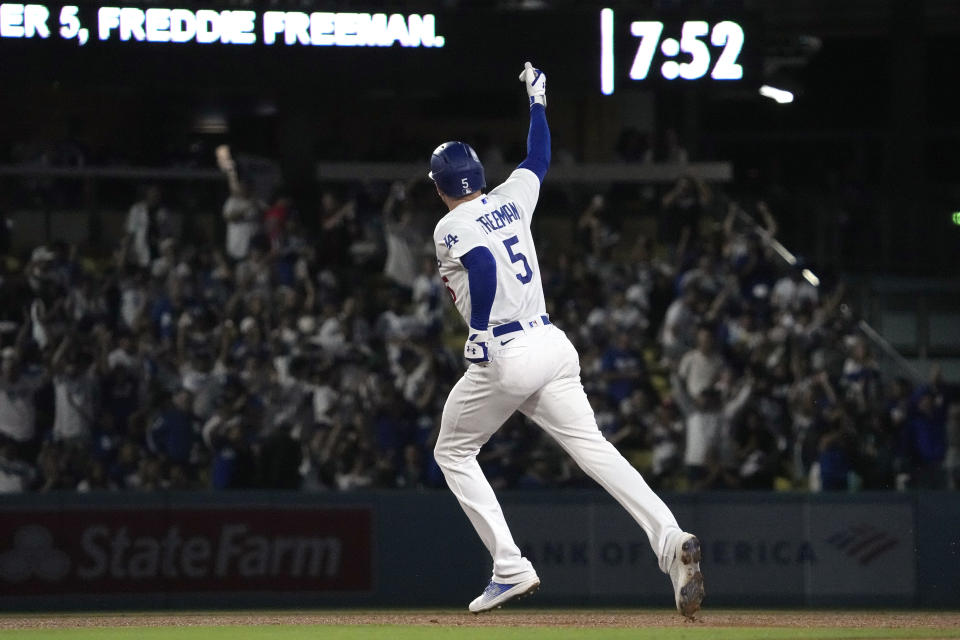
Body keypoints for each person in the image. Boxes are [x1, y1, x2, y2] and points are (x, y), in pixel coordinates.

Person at [429, 62, 704, 618]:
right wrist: (538, 105)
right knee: (595, 450)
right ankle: (670, 539)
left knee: (453, 449)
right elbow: (539, 159)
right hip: (552, 344)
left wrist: (478, 331)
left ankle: (509, 566)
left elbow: (481, 264)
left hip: (507, 350)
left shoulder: (449, 226)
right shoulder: (511, 196)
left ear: (439, 186)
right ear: (479, 174)